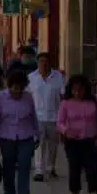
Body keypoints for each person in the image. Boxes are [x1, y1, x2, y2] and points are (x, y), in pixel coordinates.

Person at [57, 74, 97, 194]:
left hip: (92, 140)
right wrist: (66, 130)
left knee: (92, 171)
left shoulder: (96, 101)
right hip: (73, 142)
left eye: (80, 89)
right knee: (74, 170)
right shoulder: (65, 103)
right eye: (75, 90)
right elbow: (59, 122)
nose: (78, 93)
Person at [0, 69, 40, 194]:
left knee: (24, 167)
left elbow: (33, 117)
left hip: (26, 136)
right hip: (6, 137)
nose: (16, 90)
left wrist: (37, 134)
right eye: (13, 86)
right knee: (9, 169)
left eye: (19, 87)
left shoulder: (28, 97)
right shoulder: (0, 97)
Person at [28, 52, 66, 181]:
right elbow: (27, 97)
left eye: (45, 61)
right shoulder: (31, 77)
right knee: (39, 144)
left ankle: (51, 168)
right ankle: (39, 170)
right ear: (37, 63)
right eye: (41, 61)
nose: (43, 64)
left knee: (53, 145)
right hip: (37, 116)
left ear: (50, 63)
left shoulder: (58, 77)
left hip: (54, 116)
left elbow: (63, 95)